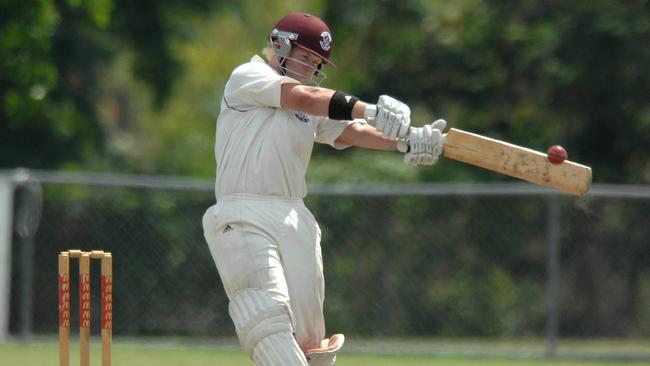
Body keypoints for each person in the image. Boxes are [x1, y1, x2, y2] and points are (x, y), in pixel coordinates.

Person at [202, 12, 445, 366]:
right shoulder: (248, 77)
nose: (309, 67)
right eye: (304, 57)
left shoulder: (310, 100)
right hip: (243, 211)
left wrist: (405, 140)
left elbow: (351, 131)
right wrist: (369, 108)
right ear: (279, 45)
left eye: (316, 63)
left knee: (312, 343)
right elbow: (304, 96)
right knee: (265, 317)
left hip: (294, 215)